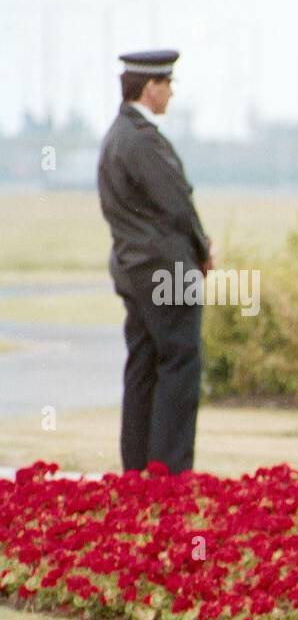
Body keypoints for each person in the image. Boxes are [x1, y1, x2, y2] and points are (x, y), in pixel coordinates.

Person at [96, 49, 211, 475]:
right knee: (180, 365)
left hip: (132, 269)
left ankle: (137, 472)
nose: (171, 93)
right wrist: (202, 249)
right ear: (152, 87)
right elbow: (178, 205)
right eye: (168, 85)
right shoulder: (144, 139)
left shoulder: (115, 136)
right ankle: (171, 473)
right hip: (167, 270)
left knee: (142, 366)